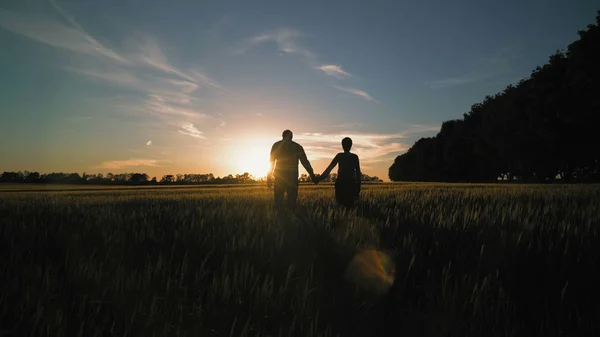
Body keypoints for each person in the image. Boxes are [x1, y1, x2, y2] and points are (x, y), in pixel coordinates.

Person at [267, 129, 317, 211]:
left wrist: (269, 176)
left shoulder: (276, 145)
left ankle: (280, 219)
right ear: (292, 137)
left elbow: (271, 162)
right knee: (292, 201)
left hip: (280, 177)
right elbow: (305, 163)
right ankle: (291, 219)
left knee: (278, 201)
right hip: (292, 177)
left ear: (282, 136)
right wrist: (313, 176)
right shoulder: (297, 147)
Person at [319, 137, 361, 208]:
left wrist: (320, 178)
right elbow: (358, 172)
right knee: (351, 207)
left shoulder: (339, 156)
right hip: (351, 184)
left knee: (340, 206)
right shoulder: (355, 157)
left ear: (342, 146)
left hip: (341, 184)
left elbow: (330, 168)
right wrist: (358, 185)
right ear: (351, 145)